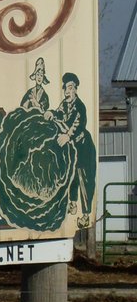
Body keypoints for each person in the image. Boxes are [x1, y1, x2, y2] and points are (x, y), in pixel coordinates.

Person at [45, 72, 96, 228]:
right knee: (71, 175)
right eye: (65, 88)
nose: (67, 91)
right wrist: (51, 113)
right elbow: (59, 113)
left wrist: (67, 135)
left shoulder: (79, 106)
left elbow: (78, 125)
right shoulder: (65, 104)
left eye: (70, 87)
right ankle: (72, 204)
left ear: (75, 89)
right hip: (72, 148)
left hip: (84, 147)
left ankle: (86, 214)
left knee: (84, 179)